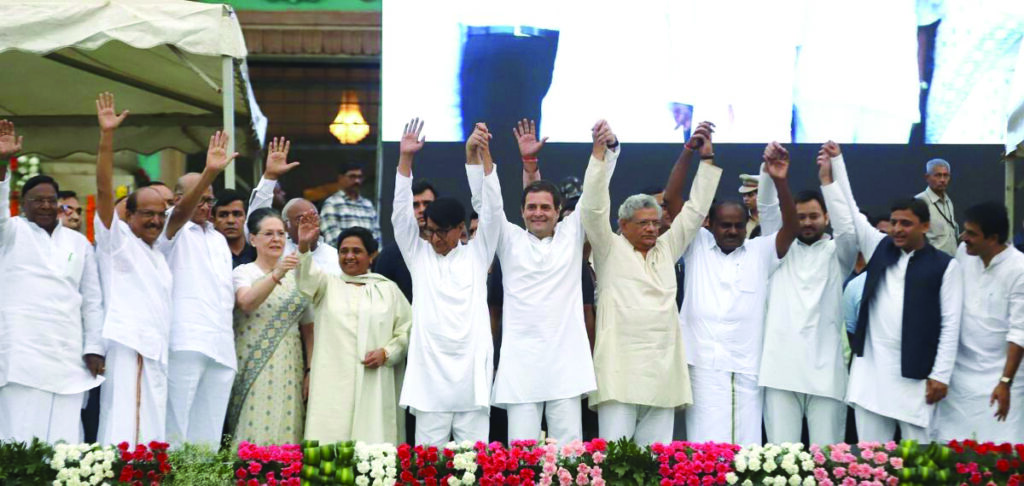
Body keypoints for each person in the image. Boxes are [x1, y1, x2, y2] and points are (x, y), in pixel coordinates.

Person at [581, 119, 722, 446]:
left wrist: (706, 159)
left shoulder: (666, 248)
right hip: (618, 372)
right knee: (615, 459)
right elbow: (594, 208)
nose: (651, 229)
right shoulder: (609, 249)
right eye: (642, 223)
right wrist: (599, 157)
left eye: (655, 223)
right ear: (623, 224)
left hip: (662, 373)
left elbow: (696, 210)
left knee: (656, 460)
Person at [468, 118, 601, 443]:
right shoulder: (509, 238)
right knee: (521, 456)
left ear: (559, 211)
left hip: (566, 364)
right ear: (522, 211)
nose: (537, 212)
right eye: (531, 207)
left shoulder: (571, 235)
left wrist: (600, 152)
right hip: (521, 367)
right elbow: (487, 204)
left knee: (569, 456)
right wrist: (480, 156)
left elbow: (594, 195)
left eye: (545, 207)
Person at [830, 145, 963, 442]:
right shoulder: (879, 247)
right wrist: (837, 161)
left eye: (906, 223)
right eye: (894, 222)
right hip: (872, 376)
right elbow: (850, 207)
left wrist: (940, 375)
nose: (897, 229)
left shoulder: (945, 266)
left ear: (925, 226)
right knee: (872, 459)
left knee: (919, 460)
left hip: (917, 379)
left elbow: (951, 325)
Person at [679, 141, 799, 446]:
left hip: (745, 367)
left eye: (738, 225)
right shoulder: (697, 245)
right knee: (702, 445)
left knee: (744, 449)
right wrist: (692, 154)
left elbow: (791, 228)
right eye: (725, 225)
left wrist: (780, 181)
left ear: (747, 225)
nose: (732, 231)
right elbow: (671, 202)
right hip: (701, 365)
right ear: (710, 224)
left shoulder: (760, 251)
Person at [393, 118, 501, 446]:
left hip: (471, 376)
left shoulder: (478, 254)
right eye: (430, 230)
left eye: (442, 231)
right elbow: (399, 216)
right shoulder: (419, 255)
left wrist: (481, 156)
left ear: (460, 230)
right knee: (428, 464)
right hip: (430, 378)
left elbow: (492, 209)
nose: (435, 238)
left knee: (474, 463)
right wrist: (405, 158)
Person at [0, 120, 105, 443]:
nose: (46, 205)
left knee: (65, 444)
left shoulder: (78, 243)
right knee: (19, 439)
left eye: (51, 200)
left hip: (68, 355)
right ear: (23, 203)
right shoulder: (11, 232)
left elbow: (92, 300)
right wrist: (2, 162)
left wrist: (94, 347)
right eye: (37, 200)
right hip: (22, 354)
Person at [758, 142, 858, 446]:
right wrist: (768, 173)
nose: (806, 222)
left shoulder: (838, 255)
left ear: (826, 217)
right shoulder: (777, 252)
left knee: (828, 461)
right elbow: (767, 211)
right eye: (800, 217)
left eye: (814, 216)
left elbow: (848, 230)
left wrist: (828, 181)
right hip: (779, 371)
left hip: (826, 374)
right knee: (779, 461)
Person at [91, 93, 174, 446]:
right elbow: (103, 188)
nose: (155, 221)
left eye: (160, 214)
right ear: (128, 215)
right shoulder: (118, 241)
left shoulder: (157, 253)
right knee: (125, 426)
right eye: (147, 214)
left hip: (156, 349)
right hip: (129, 346)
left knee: (151, 429)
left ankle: (145, 472)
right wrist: (107, 136)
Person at [296, 220, 412, 444]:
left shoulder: (388, 290)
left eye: (357, 251)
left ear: (371, 255)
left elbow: (406, 331)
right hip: (333, 381)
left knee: (372, 444)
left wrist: (387, 353)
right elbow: (305, 278)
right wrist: (303, 246)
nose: (349, 256)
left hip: (373, 378)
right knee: (330, 442)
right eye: (343, 251)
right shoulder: (326, 285)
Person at [159, 131, 238, 447]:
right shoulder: (171, 227)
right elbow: (180, 214)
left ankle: (201, 474)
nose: (207, 205)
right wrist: (209, 172)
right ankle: (172, 473)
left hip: (221, 342)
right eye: (200, 198)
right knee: (176, 424)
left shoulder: (218, 238)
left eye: (210, 199)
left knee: (209, 431)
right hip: (186, 340)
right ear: (178, 198)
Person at [935, 202, 1024, 442]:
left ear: (993, 238)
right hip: (959, 380)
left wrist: (1005, 382)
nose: (964, 238)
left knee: (1000, 452)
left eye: (971, 233)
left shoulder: (1019, 269)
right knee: (951, 448)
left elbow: (1019, 333)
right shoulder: (964, 254)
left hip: (1003, 379)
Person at [227, 208, 311, 447]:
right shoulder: (243, 272)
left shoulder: (298, 276)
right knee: (252, 424)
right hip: (252, 362)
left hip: (291, 364)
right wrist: (277, 273)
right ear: (253, 239)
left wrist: (310, 369)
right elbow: (246, 302)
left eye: (281, 233)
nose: (276, 239)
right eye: (268, 234)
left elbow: (309, 327)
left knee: (287, 423)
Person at [249, 138, 340, 275]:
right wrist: (270, 177)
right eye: (300, 219)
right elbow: (256, 221)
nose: (307, 223)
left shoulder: (334, 255)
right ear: (285, 226)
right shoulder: (276, 249)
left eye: (313, 217)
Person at [374, 179, 438, 302]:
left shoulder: (451, 250)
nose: (422, 210)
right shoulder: (390, 255)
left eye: (427, 204)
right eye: (415, 205)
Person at [320, 161, 381, 245]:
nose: (357, 181)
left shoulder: (368, 205)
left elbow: (377, 238)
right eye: (352, 176)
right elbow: (332, 239)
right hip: (343, 253)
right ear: (340, 178)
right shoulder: (332, 204)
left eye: (360, 177)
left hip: (368, 253)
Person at [916, 158, 959, 255]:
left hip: (951, 260)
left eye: (946, 175)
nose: (942, 180)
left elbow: (948, 235)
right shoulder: (919, 201)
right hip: (931, 260)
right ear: (927, 177)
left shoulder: (948, 201)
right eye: (938, 175)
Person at [213, 189, 257, 268]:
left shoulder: (259, 254)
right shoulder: (208, 256)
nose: (231, 221)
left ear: (245, 217)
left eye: (237, 214)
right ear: (213, 220)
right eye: (223, 215)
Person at [739, 173, 760, 238]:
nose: (745, 199)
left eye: (750, 195)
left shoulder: (775, 217)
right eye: (744, 195)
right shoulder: (740, 219)